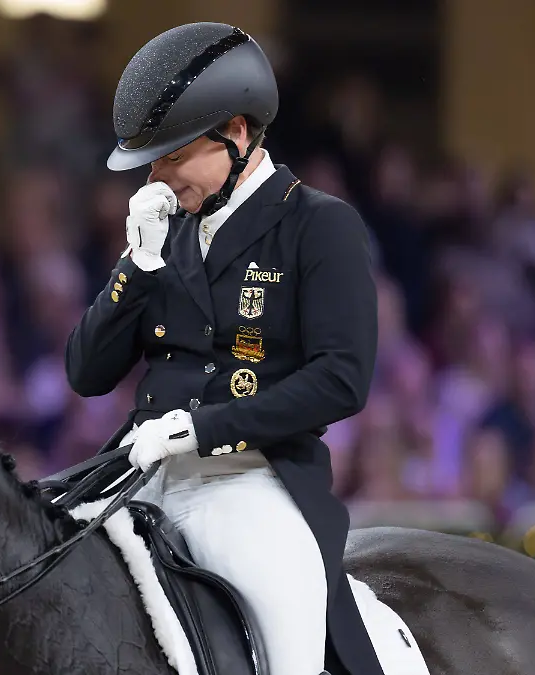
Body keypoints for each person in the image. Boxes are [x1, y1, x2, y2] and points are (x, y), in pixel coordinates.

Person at [65, 22, 385, 675]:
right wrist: (137, 265)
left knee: (290, 637)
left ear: (236, 134)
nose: (156, 177)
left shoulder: (318, 226)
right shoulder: (166, 232)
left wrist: (201, 428)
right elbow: (86, 371)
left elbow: (341, 379)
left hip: (253, 481)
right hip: (141, 474)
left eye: (173, 156)